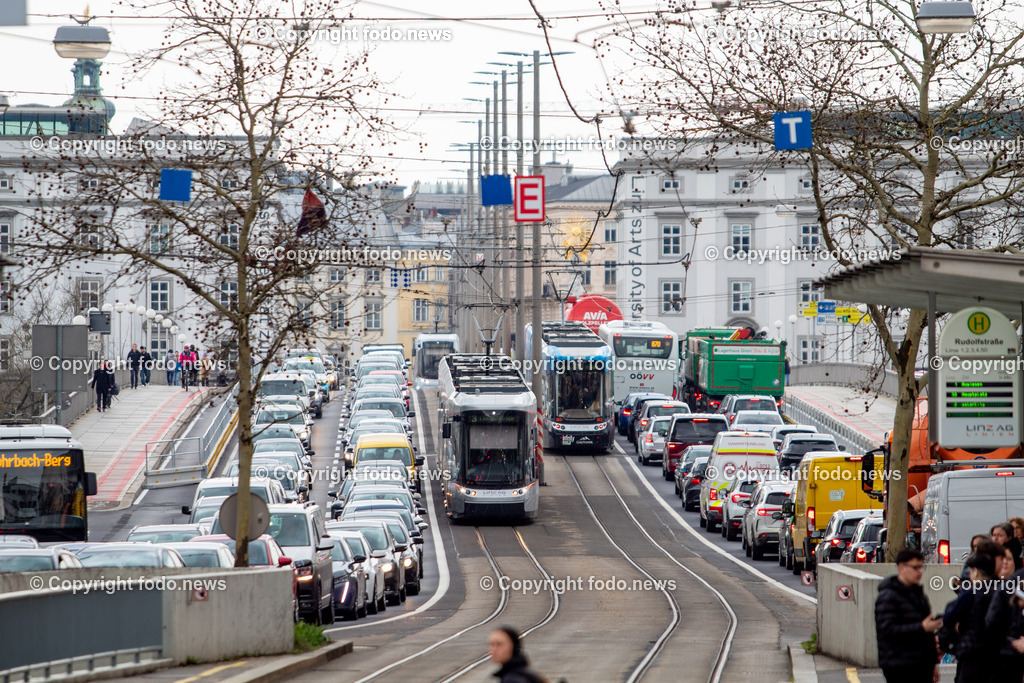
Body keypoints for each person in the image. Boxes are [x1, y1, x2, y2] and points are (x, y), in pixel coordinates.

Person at [874, 549, 941, 683]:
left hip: (921, 664)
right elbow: (888, 631)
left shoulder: (919, 595)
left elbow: (928, 635)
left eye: (921, 567)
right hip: (899, 665)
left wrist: (933, 663)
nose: (920, 572)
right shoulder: (888, 596)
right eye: (915, 567)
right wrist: (921, 627)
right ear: (901, 568)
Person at [944, 552, 1000, 682]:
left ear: (975, 572)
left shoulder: (970, 594)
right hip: (995, 653)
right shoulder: (999, 592)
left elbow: (949, 618)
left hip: (971, 653)